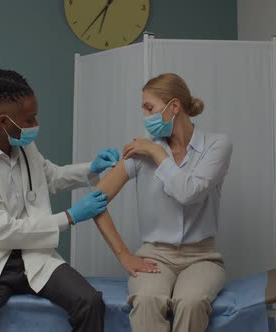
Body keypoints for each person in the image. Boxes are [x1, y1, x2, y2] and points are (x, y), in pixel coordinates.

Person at [0, 69, 123, 332]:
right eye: (29, 119)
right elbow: (0, 231)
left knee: (90, 302)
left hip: (34, 256)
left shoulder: (24, 147)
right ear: (3, 121)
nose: (35, 124)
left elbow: (51, 176)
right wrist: (69, 217)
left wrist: (92, 169)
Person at [88, 73, 233, 332]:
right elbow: (95, 200)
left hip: (203, 257)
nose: (145, 116)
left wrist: (156, 152)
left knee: (190, 301)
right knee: (147, 299)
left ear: (174, 107)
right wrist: (124, 255)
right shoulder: (138, 153)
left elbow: (189, 192)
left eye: (149, 108)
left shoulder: (216, 145)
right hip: (155, 255)